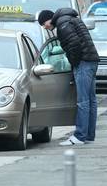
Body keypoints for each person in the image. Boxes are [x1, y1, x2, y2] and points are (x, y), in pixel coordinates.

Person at [38, 8, 99, 146]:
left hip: (83, 62)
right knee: (91, 100)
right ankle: (88, 135)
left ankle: (79, 136)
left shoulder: (62, 24)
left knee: (83, 101)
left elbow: (74, 45)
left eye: (44, 23)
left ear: (49, 19)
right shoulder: (70, 19)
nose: (45, 27)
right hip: (91, 60)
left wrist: (74, 63)